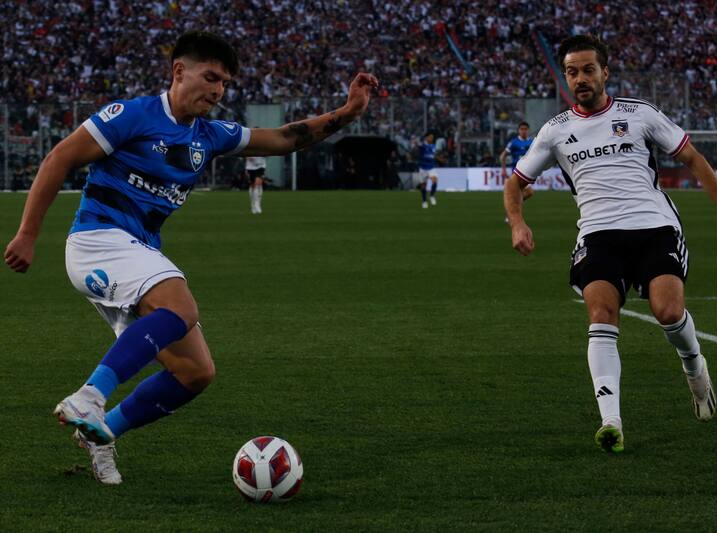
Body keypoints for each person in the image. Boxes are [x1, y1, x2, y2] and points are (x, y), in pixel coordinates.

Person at [3, 31, 377, 484]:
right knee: (181, 307)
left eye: (225, 83)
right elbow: (58, 159)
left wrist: (348, 112)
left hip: (136, 252)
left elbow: (282, 138)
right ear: (179, 71)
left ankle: (101, 434)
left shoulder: (210, 135)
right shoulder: (133, 115)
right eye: (211, 77)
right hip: (97, 239)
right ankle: (90, 396)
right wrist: (27, 234)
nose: (218, 91)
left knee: (195, 372)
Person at [504, 34, 717, 454]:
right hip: (597, 234)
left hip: (653, 226)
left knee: (668, 311)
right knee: (602, 314)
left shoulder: (639, 114)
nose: (581, 78)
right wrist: (517, 223)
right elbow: (515, 183)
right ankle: (611, 422)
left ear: (605, 72)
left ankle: (695, 365)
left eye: (588, 69)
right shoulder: (555, 131)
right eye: (572, 72)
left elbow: (693, 158)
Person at [500, 121, 534, 202]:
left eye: (525, 129)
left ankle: (513, 207)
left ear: (528, 130)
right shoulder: (514, 142)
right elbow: (502, 156)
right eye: (522, 129)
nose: (523, 131)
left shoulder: (532, 142)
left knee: (521, 194)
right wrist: (503, 170)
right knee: (529, 192)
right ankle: (514, 206)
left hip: (528, 172)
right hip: (517, 172)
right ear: (518, 130)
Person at [417, 132, 439, 208]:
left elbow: (433, 155)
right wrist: (416, 143)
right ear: (426, 138)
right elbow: (419, 145)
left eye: (432, 137)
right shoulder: (423, 145)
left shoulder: (434, 146)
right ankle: (424, 201)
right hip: (423, 168)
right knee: (423, 186)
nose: (431, 138)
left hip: (431, 167)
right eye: (430, 137)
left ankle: (432, 195)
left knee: (435, 180)